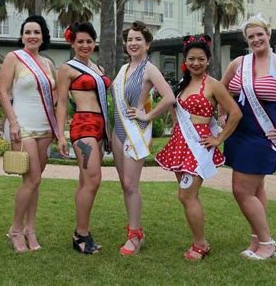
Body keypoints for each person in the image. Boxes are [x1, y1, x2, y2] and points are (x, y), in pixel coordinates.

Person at [220, 14, 276, 260]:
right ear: (246, 40)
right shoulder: (238, 63)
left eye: (260, 34)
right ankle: (257, 240)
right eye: (251, 36)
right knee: (256, 188)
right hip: (238, 135)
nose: (256, 39)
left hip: (262, 138)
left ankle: (268, 244)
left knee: (241, 190)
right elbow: (221, 89)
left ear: (268, 35)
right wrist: (221, 117)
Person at [156, 35, 242, 261]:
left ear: (208, 60)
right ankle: (199, 241)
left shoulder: (214, 85)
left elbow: (235, 113)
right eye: (191, 59)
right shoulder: (183, 84)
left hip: (199, 146)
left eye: (201, 59)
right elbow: (175, 112)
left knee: (186, 195)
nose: (196, 63)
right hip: (180, 144)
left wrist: (219, 139)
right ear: (185, 60)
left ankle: (200, 244)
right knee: (187, 196)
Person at [111, 21, 175, 255]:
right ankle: (133, 229)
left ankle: (135, 235)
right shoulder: (123, 69)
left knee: (131, 184)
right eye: (129, 40)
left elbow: (168, 97)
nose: (133, 43)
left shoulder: (149, 69)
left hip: (135, 131)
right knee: (124, 185)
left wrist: (147, 114)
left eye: (138, 39)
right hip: (118, 132)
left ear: (147, 44)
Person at [0, 15, 58, 253]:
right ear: (22, 36)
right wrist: (12, 122)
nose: (32, 36)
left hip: (45, 127)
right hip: (21, 125)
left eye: (36, 32)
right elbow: (3, 92)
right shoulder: (14, 58)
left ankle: (30, 229)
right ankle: (15, 229)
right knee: (32, 179)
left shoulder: (48, 63)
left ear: (43, 36)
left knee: (34, 181)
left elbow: (54, 95)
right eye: (27, 32)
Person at [56, 22, 111, 254]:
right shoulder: (67, 69)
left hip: (99, 127)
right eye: (80, 41)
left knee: (84, 181)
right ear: (72, 43)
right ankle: (81, 234)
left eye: (89, 41)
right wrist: (60, 135)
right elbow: (60, 103)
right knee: (93, 180)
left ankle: (81, 232)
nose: (85, 45)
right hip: (84, 125)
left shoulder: (97, 68)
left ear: (94, 42)